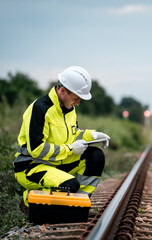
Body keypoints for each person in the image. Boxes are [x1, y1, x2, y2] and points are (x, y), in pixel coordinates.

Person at [13, 66, 110, 215]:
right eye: (76, 98)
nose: (78, 103)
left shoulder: (69, 109)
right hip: (32, 166)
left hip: (57, 163)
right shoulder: (40, 109)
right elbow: (37, 149)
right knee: (69, 185)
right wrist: (71, 149)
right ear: (62, 91)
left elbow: (72, 135)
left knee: (95, 156)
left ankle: (78, 206)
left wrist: (93, 136)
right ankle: (28, 199)